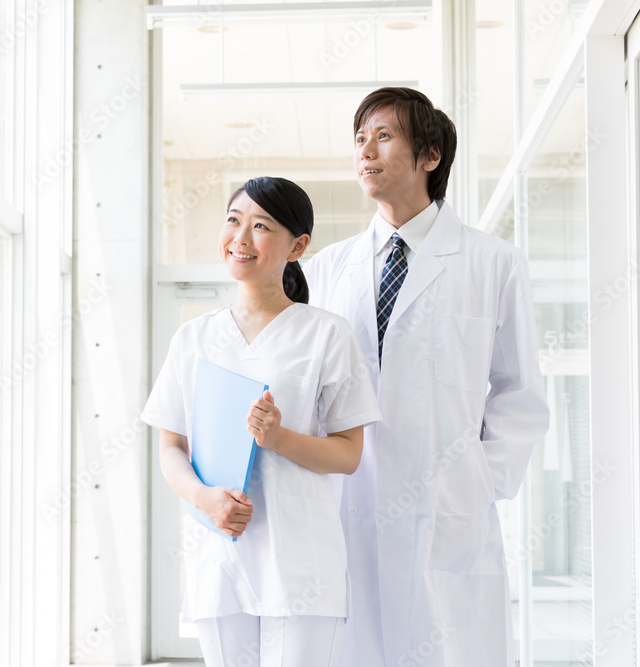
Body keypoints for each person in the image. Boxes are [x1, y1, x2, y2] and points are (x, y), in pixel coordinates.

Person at [303, 87, 550, 666]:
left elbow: (520, 394)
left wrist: (473, 480)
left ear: (430, 156)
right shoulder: (326, 269)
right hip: (347, 503)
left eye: (384, 136)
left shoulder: (493, 263)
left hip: (447, 512)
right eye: (360, 139)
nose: (366, 151)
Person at [141, 177, 382, 667]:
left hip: (302, 563)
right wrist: (204, 499)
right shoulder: (194, 338)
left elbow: (349, 454)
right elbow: (170, 446)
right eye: (233, 222)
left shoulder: (326, 334)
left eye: (261, 226)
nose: (241, 238)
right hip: (221, 555)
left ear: (298, 246)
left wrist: (279, 438)